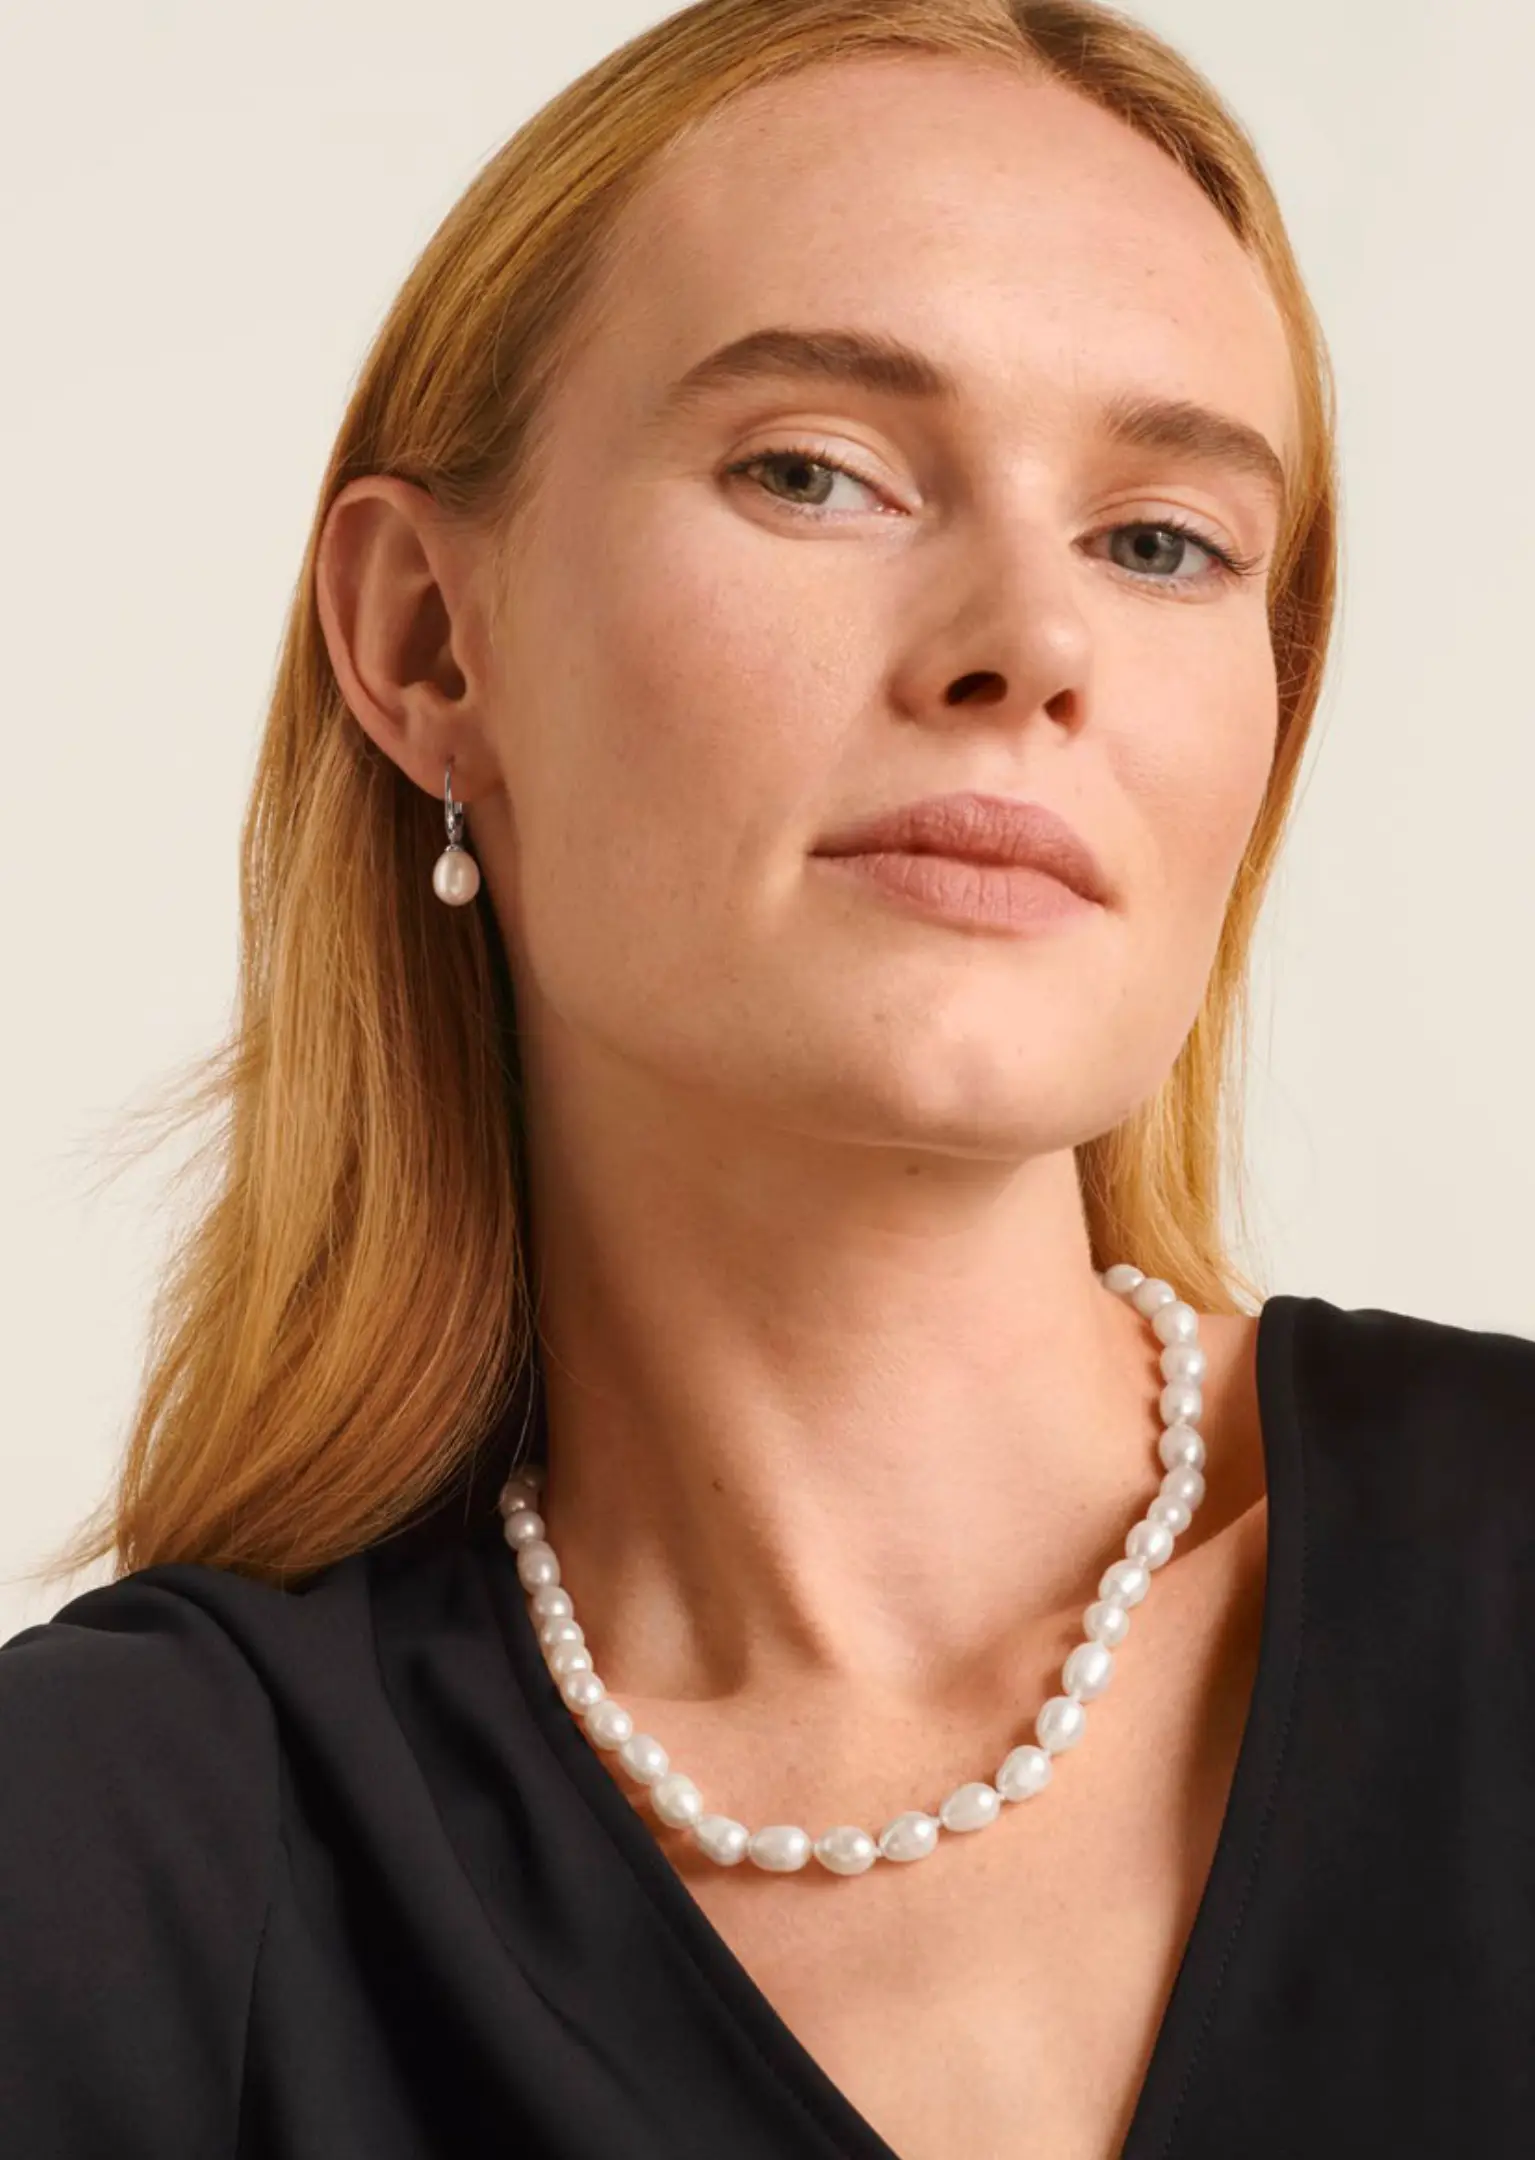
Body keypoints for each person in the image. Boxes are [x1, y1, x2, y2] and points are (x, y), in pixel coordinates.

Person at [4, 0, 1533, 2154]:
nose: (1031, 645)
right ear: (428, 642)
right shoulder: (110, 1872)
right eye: (812, 470)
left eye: (1160, 541)